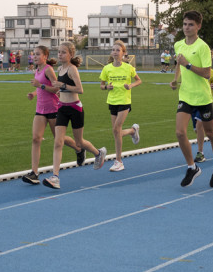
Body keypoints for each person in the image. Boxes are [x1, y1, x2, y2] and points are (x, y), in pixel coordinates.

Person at [41, 42, 106, 189]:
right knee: (58, 141)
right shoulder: (59, 68)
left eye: (63, 52)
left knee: (79, 142)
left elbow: (80, 89)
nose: (60, 54)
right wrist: (59, 91)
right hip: (62, 108)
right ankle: (55, 177)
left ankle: (98, 153)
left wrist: (62, 86)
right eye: (59, 52)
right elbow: (61, 87)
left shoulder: (72, 69)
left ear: (70, 54)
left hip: (75, 108)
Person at [172, 11, 213, 188]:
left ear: (198, 26)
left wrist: (187, 64)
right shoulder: (178, 44)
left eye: (191, 24)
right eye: (185, 24)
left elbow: (206, 73)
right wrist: (175, 78)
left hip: (202, 98)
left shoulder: (202, 47)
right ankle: (191, 167)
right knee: (180, 132)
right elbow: (179, 63)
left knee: (211, 133)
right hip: (185, 96)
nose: (187, 27)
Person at [24, 45, 87, 185]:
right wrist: (33, 93)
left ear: (45, 56)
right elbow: (41, 89)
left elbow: (56, 88)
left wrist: (39, 85)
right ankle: (34, 173)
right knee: (36, 139)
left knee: (59, 139)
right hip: (40, 109)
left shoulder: (48, 70)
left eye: (37, 54)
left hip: (53, 108)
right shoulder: (37, 70)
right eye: (33, 54)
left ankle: (78, 148)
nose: (34, 56)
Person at [99, 40, 141, 172]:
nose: (115, 52)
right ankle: (132, 131)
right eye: (113, 50)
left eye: (118, 50)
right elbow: (101, 85)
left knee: (116, 128)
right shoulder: (107, 68)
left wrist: (131, 85)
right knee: (116, 131)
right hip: (112, 101)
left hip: (124, 101)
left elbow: (139, 80)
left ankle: (119, 161)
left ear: (123, 53)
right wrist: (107, 87)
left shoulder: (128, 68)